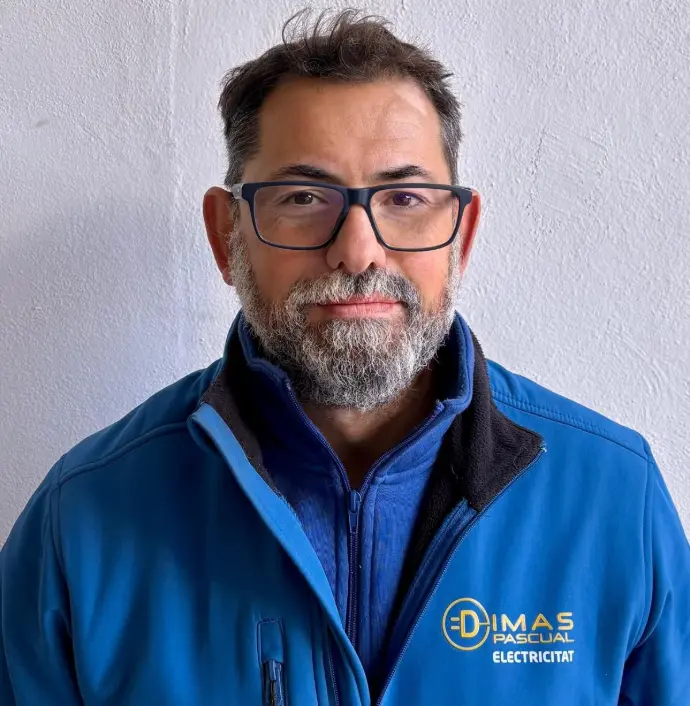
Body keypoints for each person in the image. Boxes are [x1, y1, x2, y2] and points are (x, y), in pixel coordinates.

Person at [1, 8, 688, 705]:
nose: (358, 251)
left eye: (405, 197)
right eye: (303, 196)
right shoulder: (82, 519)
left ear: (462, 234)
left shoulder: (613, 500)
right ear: (225, 234)